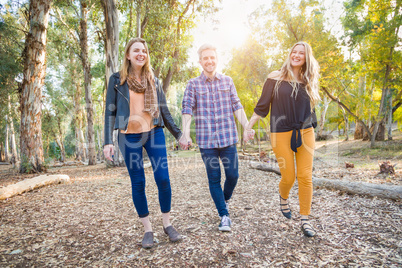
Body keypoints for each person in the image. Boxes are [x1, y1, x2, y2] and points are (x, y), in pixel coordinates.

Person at [103, 38, 182, 248]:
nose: (141, 54)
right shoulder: (116, 80)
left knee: (163, 179)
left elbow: (164, 111)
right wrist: (107, 141)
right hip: (128, 135)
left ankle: (167, 224)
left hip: (154, 132)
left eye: (144, 51)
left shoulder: (153, 80)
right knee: (138, 182)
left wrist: (179, 135)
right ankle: (148, 230)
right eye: (136, 50)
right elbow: (109, 112)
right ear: (128, 55)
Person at [245, 42, 320, 237]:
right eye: (294, 51)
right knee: (289, 177)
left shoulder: (308, 79)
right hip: (280, 133)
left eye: (301, 53)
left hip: (305, 132)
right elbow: (262, 106)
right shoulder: (275, 77)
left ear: (306, 57)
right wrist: (248, 126)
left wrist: (313, 127)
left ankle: (305, 220)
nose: (296, 55)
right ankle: (284, 197)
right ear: (289, 54)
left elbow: (311, 108)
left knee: (305, 176)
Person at [179, 44, 254, 232]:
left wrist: (246, 126)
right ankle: (224, 215)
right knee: (214, 179)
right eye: (205, 58)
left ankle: (224, 199)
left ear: (216, 59)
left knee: (233, 175)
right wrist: (186, 134)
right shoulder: (193, 84)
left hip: (228, 138)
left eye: (212, 57)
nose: (209, 61)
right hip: (206, 142)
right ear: (200, 61)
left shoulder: (227, 81)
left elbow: (237, 105)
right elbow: (187, 109)